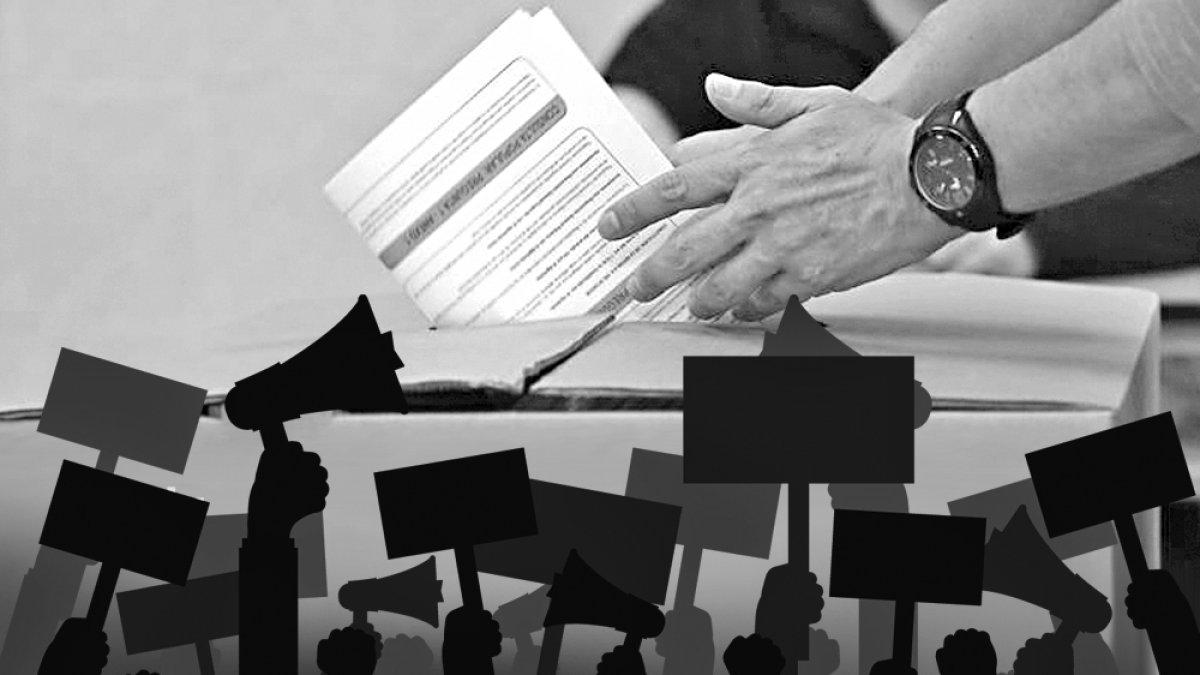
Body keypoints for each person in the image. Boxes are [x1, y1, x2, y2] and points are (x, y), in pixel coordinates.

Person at [597, 0, 1200, 321]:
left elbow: (1179, 49)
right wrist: (865, 132)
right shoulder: (722, 26)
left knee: (1125, 504)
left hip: (1090, 370)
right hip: (802, 403)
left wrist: (914, 177)